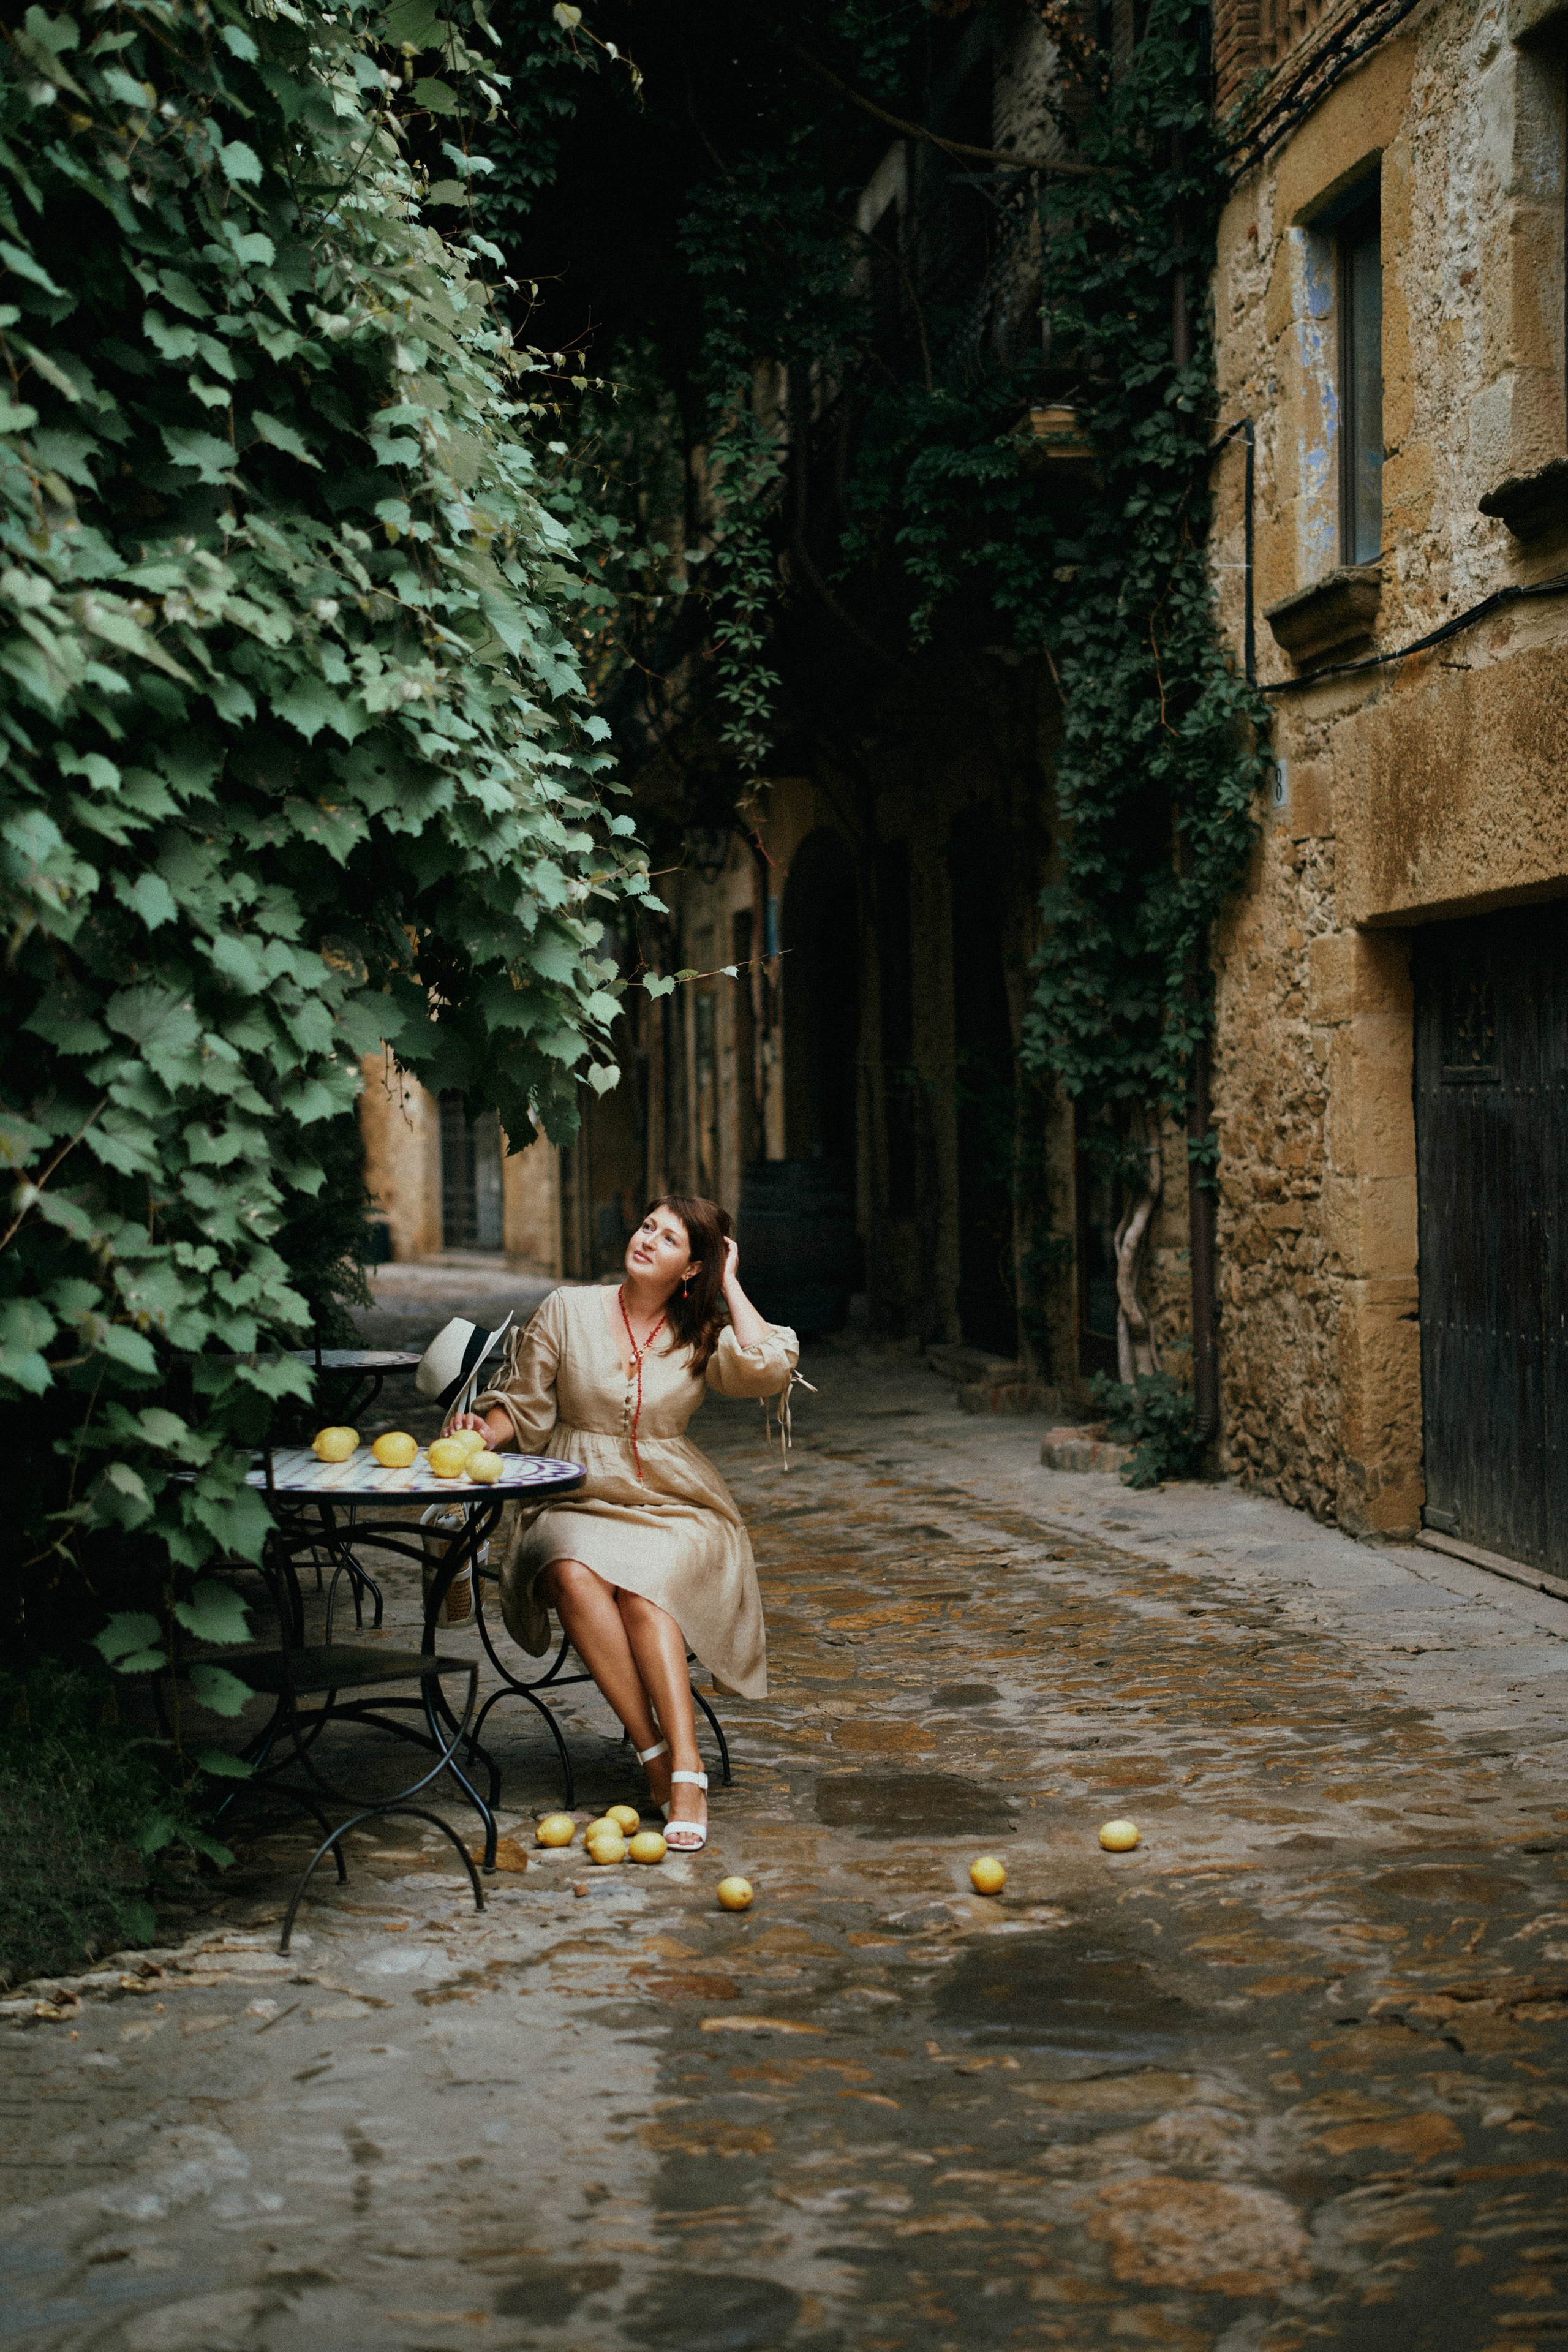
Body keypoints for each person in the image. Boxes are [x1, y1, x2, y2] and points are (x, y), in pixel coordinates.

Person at [445, 1195, 797, 1852]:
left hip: (674, 1505)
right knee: (571, 1571)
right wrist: (480, 1433)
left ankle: (685, 1770)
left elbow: (770, 1366)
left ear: (690, 1269)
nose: (647, 1241)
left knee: (645, 1588)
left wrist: (729, 1281)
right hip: (571, 1495)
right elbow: (523, 1409)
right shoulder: (567, 1310)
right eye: (646, 1227)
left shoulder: (701, 1334)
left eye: (668, 1241)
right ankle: (654, 1754)